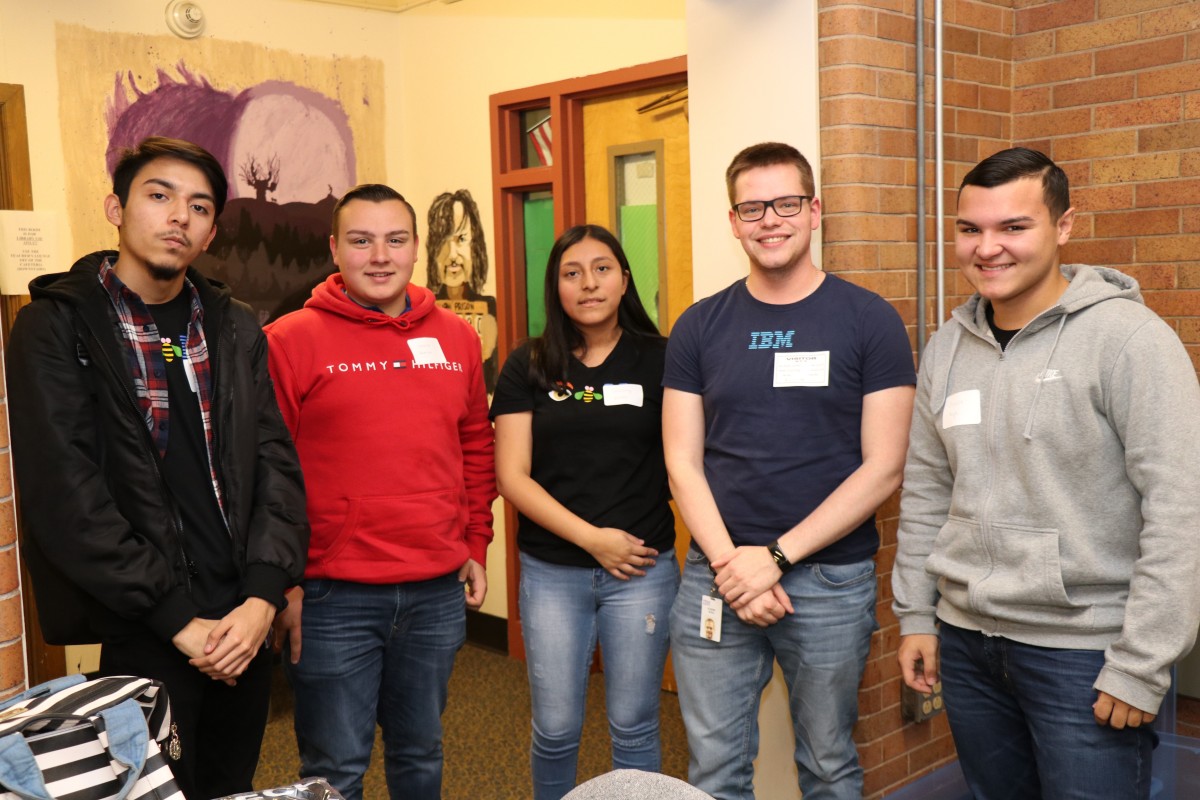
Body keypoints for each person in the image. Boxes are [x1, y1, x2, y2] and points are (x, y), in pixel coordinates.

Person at [6, 136, 309, 800]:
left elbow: (275, 464)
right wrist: (177, 620)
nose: (179, 217)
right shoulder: (56, 328)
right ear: (116, 207)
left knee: (232, 786)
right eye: (159, 196)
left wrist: (263, 595)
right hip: (144, 627)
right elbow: (67, 497)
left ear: (210, 231)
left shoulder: (232, 326)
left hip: (243, 621)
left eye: (199, 207)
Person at [893, 147, 1200, 800]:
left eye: (1013, 227)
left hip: (1085, 654)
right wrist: (918, 615)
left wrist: (1141, 665)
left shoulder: (1128, 340)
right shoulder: (948, 348)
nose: (988, 248)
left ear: (1063, 227)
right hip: (969, 645)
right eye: (970, 229)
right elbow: (925, 492)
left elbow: (1179, 506)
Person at [662, 141, 916, 800]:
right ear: (734, 220)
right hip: (717, 577)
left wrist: (773, 557)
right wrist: (732, 566)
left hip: (829, 580)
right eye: (752, 207)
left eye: (785, 203)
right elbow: (682, 462)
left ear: (814, 212)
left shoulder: (870, 321)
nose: (769, 219)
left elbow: (884, 467)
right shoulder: (697, 326)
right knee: (714, 771)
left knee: (829, 765)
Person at [264, 183, 495, 800]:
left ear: (417, 247)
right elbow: (268, 474)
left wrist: (476, 542)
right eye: (362, 241)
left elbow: (475, 446)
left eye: (395, 240)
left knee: (421, 753)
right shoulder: (290, 338)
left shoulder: (456, 338)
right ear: (335, 248)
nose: (379, 256)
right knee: (335, 769)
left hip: (433, 591)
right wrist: (281, 583)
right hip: (331, 594)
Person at [491, 225, 678, 800]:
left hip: (642, 570)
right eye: (572, 273)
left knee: (635, 723)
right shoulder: (529, 363)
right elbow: (511, 477)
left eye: (602, 268)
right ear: (556, 287)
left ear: (625, 279)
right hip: (552, 571)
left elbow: (689, 460)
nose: (588, 283)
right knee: (554, 727)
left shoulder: (664, 358)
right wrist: (593, 539)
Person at [426, 188, 499, 389]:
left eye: (461, 239)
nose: (452, 255)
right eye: (443, 241)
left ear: (475, 246)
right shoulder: (423, 309)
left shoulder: (488, 307)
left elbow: (490, 376)